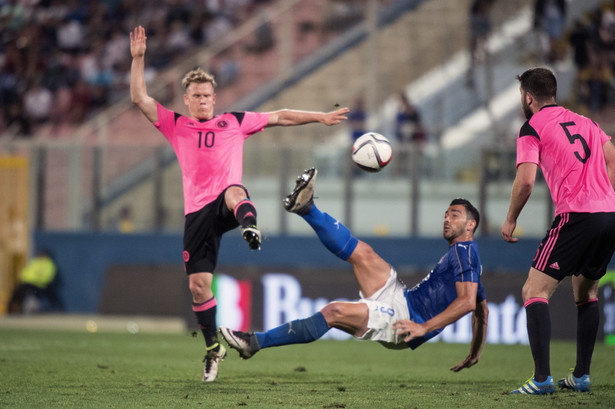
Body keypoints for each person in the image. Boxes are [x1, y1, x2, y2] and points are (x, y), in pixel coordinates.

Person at [129, 26, 349, 382]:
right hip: (196, 214)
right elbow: (139, 98)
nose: (202, 100)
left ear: (214, 99)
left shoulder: (233, 122)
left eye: (207, 95)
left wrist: (320, 116)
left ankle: (249, 224)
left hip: (227, 203)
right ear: (186, 100)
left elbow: (281, 115)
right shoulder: (176, 125)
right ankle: (213, 348)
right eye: (196, 95)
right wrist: (138, 59)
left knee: (234, 190)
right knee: (198, 287)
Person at [221, 168, 488, 372]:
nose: (446, 219)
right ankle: (306, 208)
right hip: (403, 298)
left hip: (407, 320)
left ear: (470, 225)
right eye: (446, 214)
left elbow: (466, 303)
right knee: (364, 254)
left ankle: (254, 342)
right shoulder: (463, 257)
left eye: (454, 215)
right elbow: (480, 308)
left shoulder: (465, 253)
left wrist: (424, 327)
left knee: (334, 311)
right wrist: (475, 352)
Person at [502, 67, 615, 394]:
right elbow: (612, 159)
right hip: (608, 214)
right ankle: (581, 375)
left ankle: (541, 380)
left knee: (533, 292)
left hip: (576, 215)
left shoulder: (532, 127)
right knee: (586, 293)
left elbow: (525, 181)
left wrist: (510, 219)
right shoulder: (588, 122)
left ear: (528, 97)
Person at [7, 249, 57, 314]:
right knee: (17, 291)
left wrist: (35, 279)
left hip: (39, 285)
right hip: (27, 283)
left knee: (29, 290)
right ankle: (11, 309)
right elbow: (25, 273)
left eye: (43, 254)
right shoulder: (34, 262)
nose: (41, 256)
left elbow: (47, 277)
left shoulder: (49, 264)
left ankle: (30, 309)